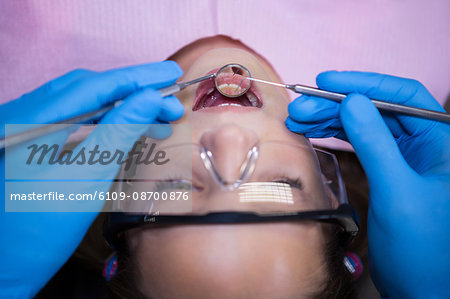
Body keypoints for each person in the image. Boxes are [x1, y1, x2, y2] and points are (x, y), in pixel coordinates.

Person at [0, 35, 449, 299]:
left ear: (120, 182)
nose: (229, 137)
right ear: (330, 191)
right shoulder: (427, 49)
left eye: (172, 188)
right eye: (279, 186)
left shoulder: (15, 91)